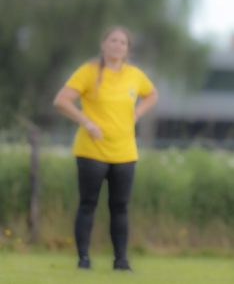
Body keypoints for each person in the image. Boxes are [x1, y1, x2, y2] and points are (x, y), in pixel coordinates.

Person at [53, 26, 158, 271]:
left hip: (125, 152)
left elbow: (152, 94)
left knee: (120, 206)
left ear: (127, 48)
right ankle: (83, 260)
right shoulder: (88, 72)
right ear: (103, 44)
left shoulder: (134, 75)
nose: (117, 45)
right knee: (88, 203)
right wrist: (86, 121)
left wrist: (138, 113)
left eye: (123, 42)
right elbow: (61, 100)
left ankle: (121, 261)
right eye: (113, 40)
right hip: (92, 150)